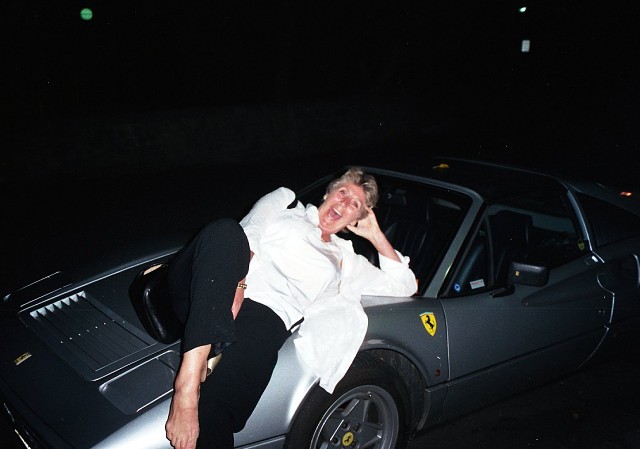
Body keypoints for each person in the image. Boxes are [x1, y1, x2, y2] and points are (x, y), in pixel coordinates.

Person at [164, 167, 417, 449]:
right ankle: (187, 386)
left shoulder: (345, 259)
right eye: (343, 192)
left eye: (355, 204)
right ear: (328, 193)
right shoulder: (286, 204)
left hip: (265, 319)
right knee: (225, 230)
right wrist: (238, 284)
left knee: (215, 413)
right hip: (214, 287)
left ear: (356, 219)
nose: (345, 202)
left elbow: (404, 284)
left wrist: (375, 234)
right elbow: (250, 229)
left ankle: (197, 384)